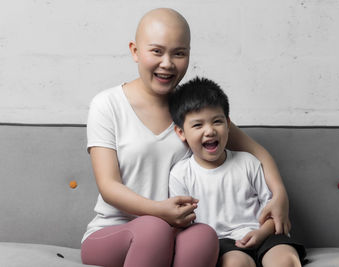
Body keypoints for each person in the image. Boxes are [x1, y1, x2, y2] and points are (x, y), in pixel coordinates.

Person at [81, 7, 291, 267]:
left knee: (204, 235)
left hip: (175, 233)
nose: (167, 63)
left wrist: (280, 194)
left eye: (179, 53)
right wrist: (159, 211)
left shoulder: (193, 109)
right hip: (114, 233)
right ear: (135, 51)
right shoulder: (107, 104)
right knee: (153, 229)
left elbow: (258, 153)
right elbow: (109, 186)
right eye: (156, 51)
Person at [168, 77, 306, 267]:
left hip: (264, 234)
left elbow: (275, 212)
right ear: (181, 132)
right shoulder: (181, 174)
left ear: (228, 124)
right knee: (235, 264)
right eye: (198, 125)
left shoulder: (248, 162)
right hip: (223, 243)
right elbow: (182, 225)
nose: (209, 131)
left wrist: (261, 233)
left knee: (285, 259)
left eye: (217, 121)